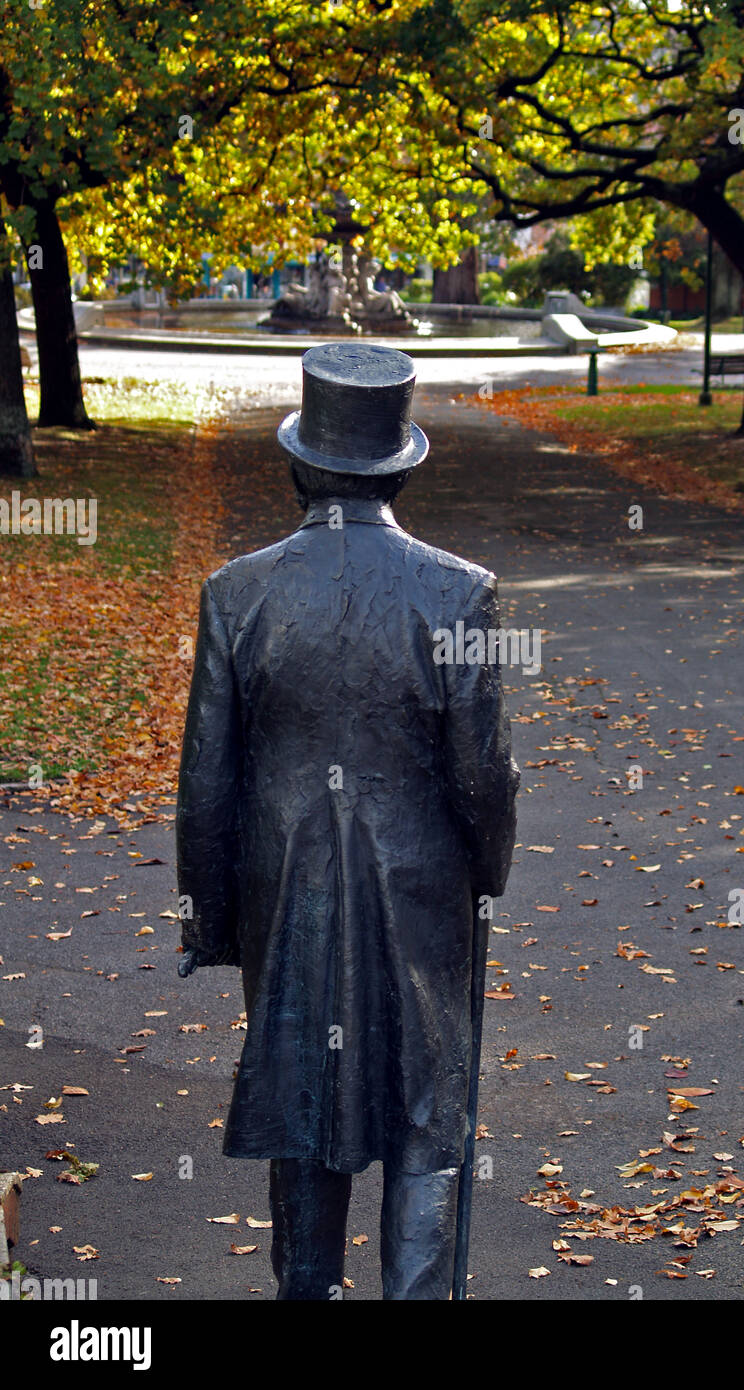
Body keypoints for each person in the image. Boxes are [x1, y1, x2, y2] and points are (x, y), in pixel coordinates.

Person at [176, 342, 519, 1299]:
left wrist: (211, 916)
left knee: (306, 1108)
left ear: (297, 467)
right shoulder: (460, 592)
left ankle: (308, 1290)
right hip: (421, 897)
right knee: (425, 1118)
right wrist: (485, 872)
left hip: (286, 890)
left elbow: (206, 781)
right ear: (402, 470)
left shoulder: (237, 593)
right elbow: (483, 776)